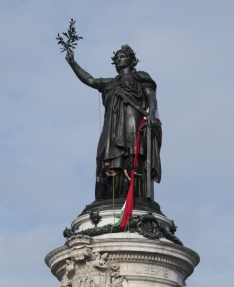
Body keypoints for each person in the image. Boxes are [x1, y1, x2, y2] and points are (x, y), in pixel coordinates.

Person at [65, 44, 162, 200]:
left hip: (133, 118)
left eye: (122, 56)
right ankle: (111, 192)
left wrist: (151, 113)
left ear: (131, 60)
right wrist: (73, 63)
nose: (118, 59)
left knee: (132, 152)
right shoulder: (109, 83)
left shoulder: (140, 77)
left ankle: (135, 193)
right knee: (105, 153)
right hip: (112, 124)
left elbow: (151, 96)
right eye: (116, 58)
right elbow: (90, 80)